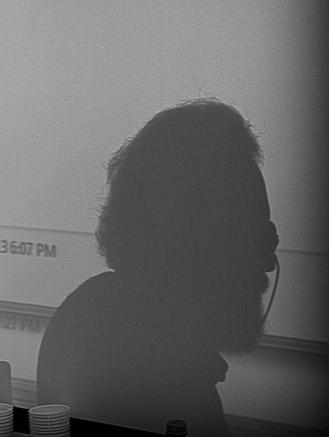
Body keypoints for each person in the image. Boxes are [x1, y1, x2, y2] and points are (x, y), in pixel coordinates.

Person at [37, 98, 279, 436]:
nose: (268, 261)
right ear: (190, 236)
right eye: (252, 234)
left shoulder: (102, 316)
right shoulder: (155, 368)